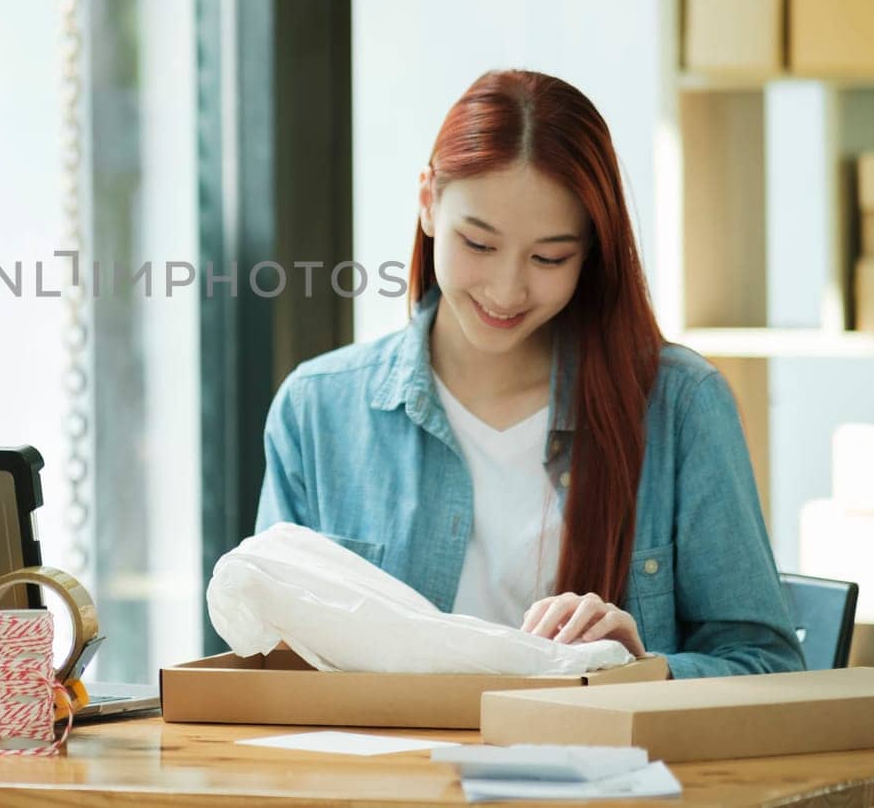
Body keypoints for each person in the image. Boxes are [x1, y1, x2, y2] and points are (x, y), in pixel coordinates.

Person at [255, 69, 802, 677]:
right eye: (479, 245)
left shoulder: (680, 405)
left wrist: (643, 670)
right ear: (428, 202)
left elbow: (767, 665)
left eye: (549, 257)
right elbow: (267, 661)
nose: (506, 290)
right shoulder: (318, 411)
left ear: (590, 251)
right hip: (384, 772)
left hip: (602, 767)